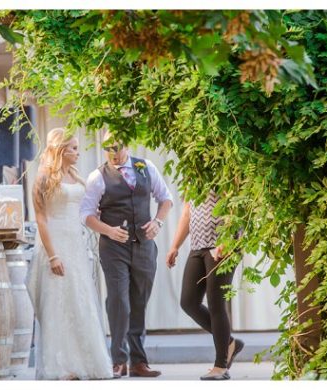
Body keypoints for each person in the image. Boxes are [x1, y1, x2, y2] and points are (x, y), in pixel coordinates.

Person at [80, 133, 173, 378]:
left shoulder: (146, 167)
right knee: (119, 301)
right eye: (107, 147)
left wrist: (157, 223)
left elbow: (166, 200)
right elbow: (86, 215)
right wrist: (108, 230)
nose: (112, 152)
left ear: (127, 145)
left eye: (116, 147)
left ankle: (139, 362)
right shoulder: (97, 177)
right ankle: (118, 360)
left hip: (144, 246)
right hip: (113, 249)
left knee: (139, 300)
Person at [27, 128, 114, 380]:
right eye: (73, 148)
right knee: (58, 301)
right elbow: (41, 220)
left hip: (75, 242)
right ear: (60, 150)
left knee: (80, 299)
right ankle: (61, 366)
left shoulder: (74, 176)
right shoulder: (43, 177)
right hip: (54, 241)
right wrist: (53, 256)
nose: (78, 152)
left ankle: (87, 363)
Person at [165, 191, 245, 380]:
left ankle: (221, 366)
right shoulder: (192, 173)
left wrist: (229, 240)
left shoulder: (223, 166)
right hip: (198, 245)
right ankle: (230, 343)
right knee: (188, 302)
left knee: (216, 303)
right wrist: (175, 246)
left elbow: (239, 208)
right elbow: (187, 212)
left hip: (222, 245)